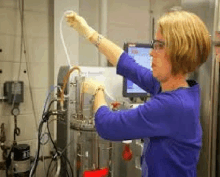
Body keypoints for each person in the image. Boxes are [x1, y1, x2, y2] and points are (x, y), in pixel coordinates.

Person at [66, 9, 211, 177]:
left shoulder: (172, 105)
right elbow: (127, 64)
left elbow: (107, 125)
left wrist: (98, 91)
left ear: (180, 51)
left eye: (159, 46)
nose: (151, 52)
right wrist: (89, 33)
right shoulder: (180, 89)